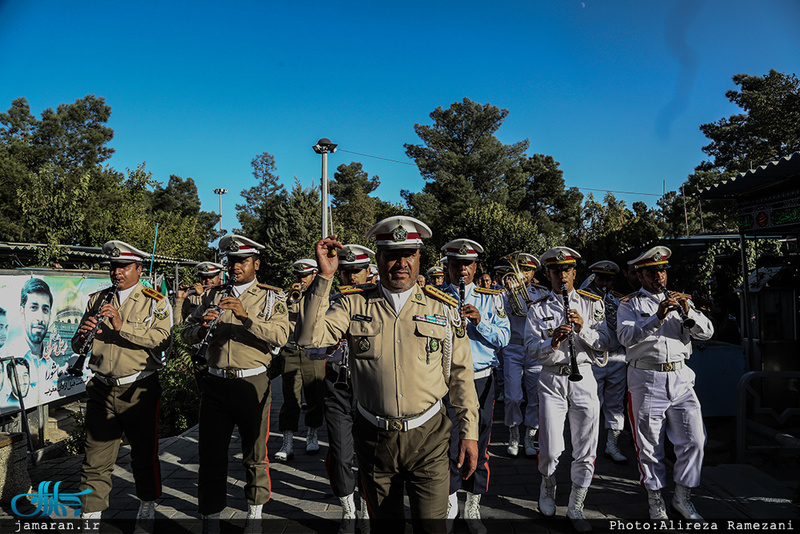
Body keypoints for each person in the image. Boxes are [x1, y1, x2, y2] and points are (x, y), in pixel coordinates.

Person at [296, 216, 479, 534]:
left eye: (409, 253)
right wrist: (324, 278)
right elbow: (310, 340)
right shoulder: (353, 303)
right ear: (378, 259)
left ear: (419, 257)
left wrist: (470, 433)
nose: (401, 262)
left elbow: (461, 376)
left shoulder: (444, 308)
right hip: (374, 437)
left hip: (430, 437)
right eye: (392, 254)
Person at [182, 234, 290, 531]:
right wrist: (200, 327)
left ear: (256, 263)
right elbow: (185, 333)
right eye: (230, 261)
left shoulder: (272, 297)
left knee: (255, 453)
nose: (235, 266)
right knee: (211, 455)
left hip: (251, 382)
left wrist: (246, 317)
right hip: (215, 382)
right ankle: (211, 516)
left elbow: (281, 337)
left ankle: (254, 514)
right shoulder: (211, 295)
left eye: (242, 260)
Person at [71, 240, 172, 530]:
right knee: (94, 459)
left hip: (137, 387)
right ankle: (90, 517)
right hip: (102, 387)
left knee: (143, 455)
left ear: (139, 269)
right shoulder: (98, 299)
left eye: (124, 267)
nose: (117, 272)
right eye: (113, 267)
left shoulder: (155, 300)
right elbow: (79, 345)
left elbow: (162, 340)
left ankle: (147, 504)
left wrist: (121, 326)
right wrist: (81, 335)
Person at [617, 246, 714, 521]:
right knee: (649, 445)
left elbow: (707, 332)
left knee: (695, 439)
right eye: (651, 273)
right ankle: (655, 499)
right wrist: (657, 317)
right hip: (647, 378)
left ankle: (682, 498)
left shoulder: (682, 300)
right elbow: (625, 337)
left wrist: (687, 313)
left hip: (681, 377)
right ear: (640, 275)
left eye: (662, 271)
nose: (659, 276)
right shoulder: (630, 303)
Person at [524, 246, 613, 532]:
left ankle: (577, 502)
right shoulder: (537, 308)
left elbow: (604, 343)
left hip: (584, 377)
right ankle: (547, 484)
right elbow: (529, 348)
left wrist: (582, 328)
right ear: (548, 274)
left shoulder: (591, 303)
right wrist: (552, 342)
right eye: (555, 271)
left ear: (575, 272)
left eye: (566, 270)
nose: (561, 275)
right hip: (551, 378)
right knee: (550, 448)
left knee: (586, 446)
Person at [441, 238, 510, 534]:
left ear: (476, 266)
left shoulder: (491, 298)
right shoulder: (435, 295)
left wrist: (480, 322)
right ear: (448, 267)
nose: (462, 270)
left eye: (467, 264)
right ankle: (450, 499)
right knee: (447, 441)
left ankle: (473, 501)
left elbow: (504, 339)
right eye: (456, 264)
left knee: (479, 443)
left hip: (480, 378)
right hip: (446, 381)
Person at [310, 243, 375, 534]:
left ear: (368, 272)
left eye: (356, 272)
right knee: (340, 453)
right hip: (338, 387)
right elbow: (310, 347)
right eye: (346, 272)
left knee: (371, 455)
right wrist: (330, 344)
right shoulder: (332, 303)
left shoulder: (379, 303)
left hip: (370, 389)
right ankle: (348, 508)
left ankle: (367, 506)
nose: (351, 278)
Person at [275, 259, 325, 461]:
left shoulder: (319, 294)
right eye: (298, 276)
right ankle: (287, 441)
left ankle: (312, 435)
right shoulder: (287, 296)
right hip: (291, 349)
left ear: (313, 275)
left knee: (314, 395)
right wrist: (288, 300)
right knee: (290, 397)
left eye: (304, 276)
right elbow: (279, 319)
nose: (301, 280)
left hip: (312, 351)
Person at [499, 253, 546, 458]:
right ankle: (513, 433)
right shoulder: (504, 293)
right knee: (512, 397)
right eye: (519, 269)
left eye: (526, 270)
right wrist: (509, 296)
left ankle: (530, 434)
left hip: (534, 349)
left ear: (533, 273)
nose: (522, 274)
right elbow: (501, 315)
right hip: (513, 348)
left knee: (535, 396)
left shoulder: (541, 293)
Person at [580, 261, 628, 464]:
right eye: (601, 279)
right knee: (592, 403)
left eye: (608, 279)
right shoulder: (585, 300)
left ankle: (612, 445)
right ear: (594, 278)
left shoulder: (617, 300)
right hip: (596, 356)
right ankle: (589, 446)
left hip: (617, 355)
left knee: (615, 404)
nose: (604, 283)